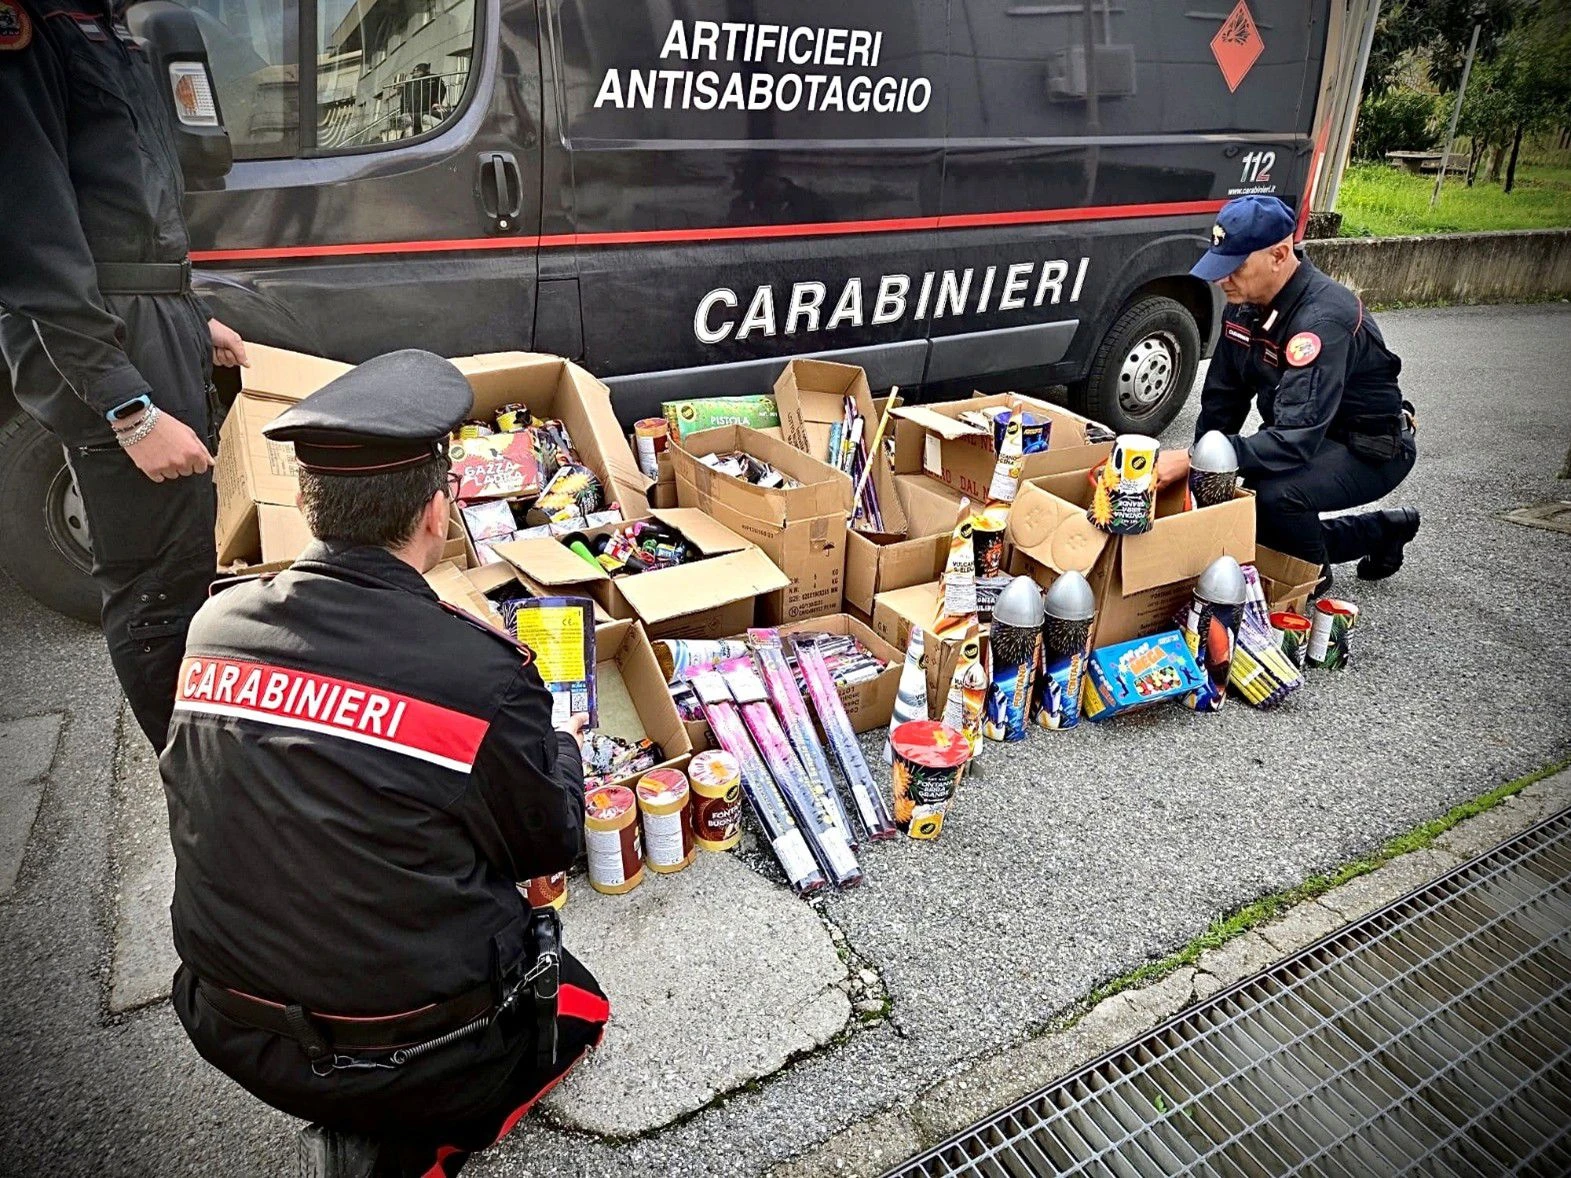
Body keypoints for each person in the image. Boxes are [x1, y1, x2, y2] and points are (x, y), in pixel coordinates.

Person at [160, 350, 608, 1177]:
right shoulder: (478, 675)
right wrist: (564, 752)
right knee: (582, 1007)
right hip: (415, 1043)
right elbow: (546, 849)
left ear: (305, 501)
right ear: (439, 511)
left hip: (224, 1019)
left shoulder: (215, 624)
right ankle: (412, 1139)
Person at [0, 0, 249, 747]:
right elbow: (32, 240)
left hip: (154, 314)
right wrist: (128, 409)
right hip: (104, 335)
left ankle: (215, 760)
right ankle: (188, 773)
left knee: (190, 562)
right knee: (153, 587)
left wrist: (190, 311)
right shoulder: (25, 30)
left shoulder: (99, 25)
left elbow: (129, 202)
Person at [1159, 195, 1419, 592]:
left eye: (1236, 267)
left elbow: (1296, 439)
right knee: (1239, 503)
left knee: (1272, 497)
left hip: (1370, 447)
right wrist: (1201, 477)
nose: (1222, 279)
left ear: (1279, 255)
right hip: (1311, 436)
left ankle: (1310, 576)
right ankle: (1381, 530)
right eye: (1219, 265)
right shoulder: (1245, 303)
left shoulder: (1320, 320)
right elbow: (1222, 401)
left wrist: (1191, 459)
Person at [400, 62, 445, 134]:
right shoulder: (409, 83)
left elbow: (441, 90)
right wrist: (403, 112)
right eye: (415, 72)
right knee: (415, 133)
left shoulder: (433, 78)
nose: (416, 73)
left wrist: (437, 102)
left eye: (418, 71)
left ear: (425, 71)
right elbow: (403, 98)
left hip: (427, 110)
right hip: (412, 112)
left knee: (429, 131)